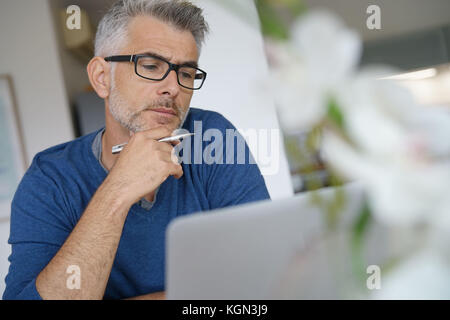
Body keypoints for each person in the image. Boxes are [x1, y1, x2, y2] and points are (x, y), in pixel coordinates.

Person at [3, 0, 270, 300]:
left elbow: (267, 278)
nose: (173, 88)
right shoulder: (50, 180)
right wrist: (118, 190)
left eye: (185, 72)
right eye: (151, 66)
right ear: (102, 78)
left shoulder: (214, 138)